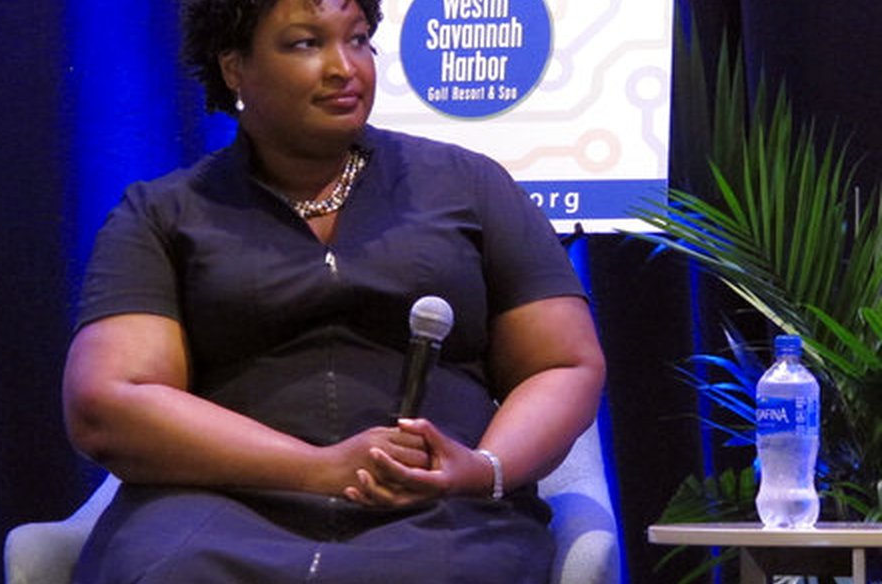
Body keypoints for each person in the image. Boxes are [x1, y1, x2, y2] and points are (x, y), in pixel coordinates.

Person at [62, 0, 606, 580]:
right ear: (234, 68)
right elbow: (107, 403)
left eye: (358, 40)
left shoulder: (469, 185)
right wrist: (317, 468)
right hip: (218, 505)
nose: (344, 67)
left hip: (438, 508)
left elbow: (562, 363)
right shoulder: (164, 213)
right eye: (305, 43)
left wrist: (481, 469)